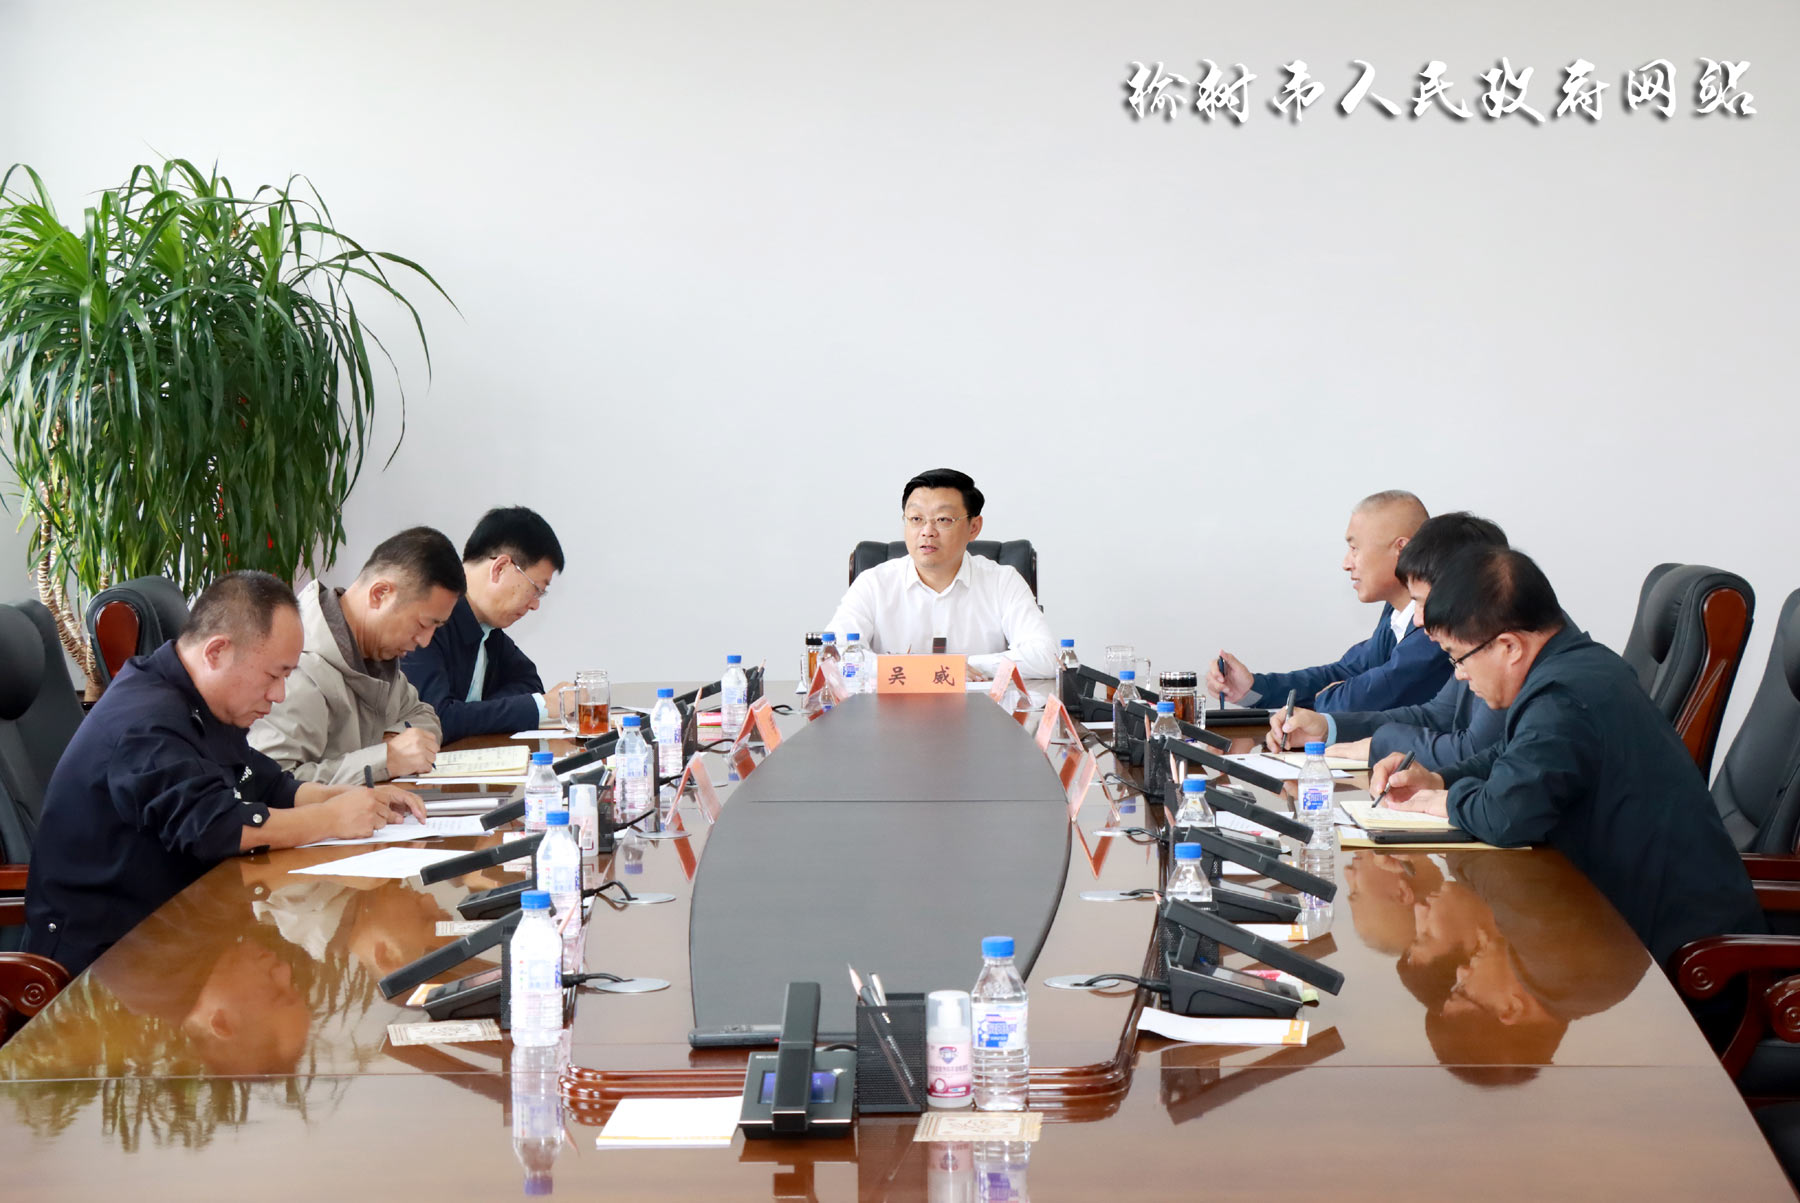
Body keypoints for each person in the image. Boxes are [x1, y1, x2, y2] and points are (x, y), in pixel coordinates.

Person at [1371, 545, 1764, 969]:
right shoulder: (1577, 667)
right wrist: (1438, 779)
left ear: (1509, 646)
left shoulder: (1562, 699)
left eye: (1458, 657)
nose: (1460, 674)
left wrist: (1445, 801)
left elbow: (1505, 816)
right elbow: (1508, 756)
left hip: (1685, 962)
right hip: (1634, 928)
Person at [24, 571, 426, 977]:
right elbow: (213, 827)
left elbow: (266, 783)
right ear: (216, 651)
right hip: (104, 963)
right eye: (273, 675)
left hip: (177, 933)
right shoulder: (145, 722)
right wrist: (330, 820)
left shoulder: (201, 698)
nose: (279, 695)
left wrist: (342, 799)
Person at [1267, 512, 1511, 767]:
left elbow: (1473, 749)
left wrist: (1379, 745)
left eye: (1422, 602)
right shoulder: (1474, 645)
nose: (1418, 620)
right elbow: (1436, 716)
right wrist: (1327, 727)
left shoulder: (1506, 650)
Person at [250, 527, 461, 783]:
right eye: (423, 624)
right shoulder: (295, 669)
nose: (425, 641)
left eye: (436, 628)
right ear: (380, 594)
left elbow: (424, 715)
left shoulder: (377, 656)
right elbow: (268, 784)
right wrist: (383, 760)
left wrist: (394, 741)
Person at [1209, 490, 1450, 714]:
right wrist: (1252, 688)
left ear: (1401, 549)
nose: (1346, 563)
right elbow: (1344, 672)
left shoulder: (1438, 621)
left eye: (1354, 548)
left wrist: (1331, 697)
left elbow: (1366, 698)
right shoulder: (1395, 614)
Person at [824, 468, 1057, 678]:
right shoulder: (874, 583)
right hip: (892, 710)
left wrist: (962, 667)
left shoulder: (1002, 581)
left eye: (943, 519)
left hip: (980, 710)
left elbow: (1045, 656)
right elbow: (832, 656)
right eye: (916, 519)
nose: (927, 531)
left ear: (974, 527)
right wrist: (920, 669)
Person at [401, 506, 573, 744]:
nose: (535, 605)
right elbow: (434, 720)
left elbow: (529, 682)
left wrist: (472, 712)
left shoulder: (488, 630)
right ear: (500, 568)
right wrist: (541, 706)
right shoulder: (426, 622)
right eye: (536, 590)